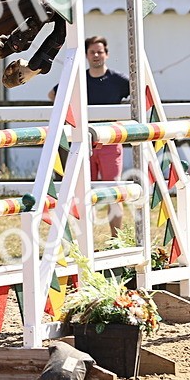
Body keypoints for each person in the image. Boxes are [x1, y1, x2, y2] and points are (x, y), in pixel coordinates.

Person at [49, 36, 131, 236]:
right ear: (86, 55)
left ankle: (116, 239)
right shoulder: (78, 78)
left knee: (114, 190)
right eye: (92, 52)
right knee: (83, 192)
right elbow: (53, 95)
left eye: (100, 51)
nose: (96, 55)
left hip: (111, 141)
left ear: (107, 54)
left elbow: (140, 95)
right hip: (82, 142)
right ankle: (86, 240)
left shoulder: (119, 80)